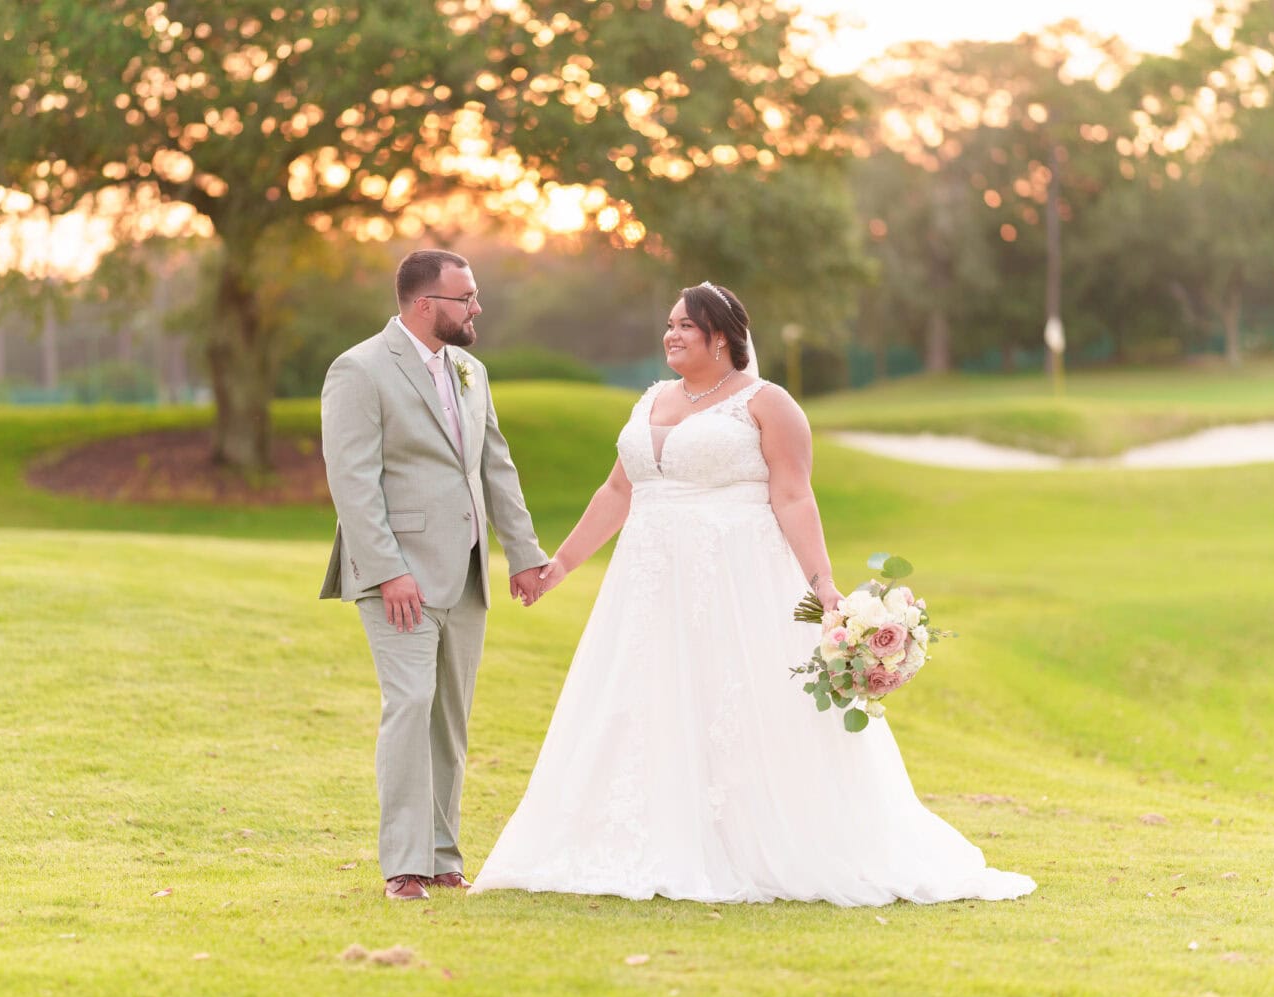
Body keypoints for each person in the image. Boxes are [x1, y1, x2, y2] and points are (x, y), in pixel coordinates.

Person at [470, 281, 1035, 906]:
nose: (672, 334)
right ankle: (646, 836)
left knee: (738, 701)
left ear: (723, 336)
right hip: (648, 585)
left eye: (687, 325)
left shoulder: (769, 404)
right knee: (646, 698)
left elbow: (794, 497)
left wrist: (826, 594)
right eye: (669, 324)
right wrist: (562, 564)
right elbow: (618, 493)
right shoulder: (651, 399)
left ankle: (751, 842)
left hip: (736, 580)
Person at [320, 249, 549, 901]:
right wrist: (390, 570)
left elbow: (496, 468)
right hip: (398, 578)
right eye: (465, 297)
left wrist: (524, 554)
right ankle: (404, 865)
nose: (477, 307)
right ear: (426, 305)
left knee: (451, 717)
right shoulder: (359, 370)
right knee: (410, 705)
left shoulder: (472, 371)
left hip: (467, 573)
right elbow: (353, 480)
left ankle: (445, 856)